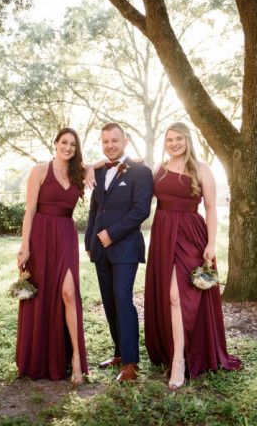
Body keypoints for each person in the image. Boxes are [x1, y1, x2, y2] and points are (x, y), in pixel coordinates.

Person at [144, 122, 242, 391]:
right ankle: (176, 354)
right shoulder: (159, 170)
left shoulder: (202, 169)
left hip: (191, 235)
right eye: (169, 139)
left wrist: (211, 243)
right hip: (163, 236)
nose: (174, 143)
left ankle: (179, 362)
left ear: (188, 141)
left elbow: (211, 208)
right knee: (170, 295)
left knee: (182, 295)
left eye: (179, 139)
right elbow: (142, 193)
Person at [16, 128, 88, 384]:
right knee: (42, 297)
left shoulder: (80, 172)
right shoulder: (40, 171)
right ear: (55, 143)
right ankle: (38, 358)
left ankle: (76, 359)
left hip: (66, 237)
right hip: (40, 237)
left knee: (69, 294)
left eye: (72, 144)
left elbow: (103, 165)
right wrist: (25, 246)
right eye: (64, 142)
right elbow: (30, 209)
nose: (68, 147)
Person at [85, 122, 154, 382]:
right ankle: (118, 353)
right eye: (105, 142)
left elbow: (141, 211)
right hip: (99, 250)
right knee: (110, 302)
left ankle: (131, 363)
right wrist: (90, 242)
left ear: (125, 141)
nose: (110, 145)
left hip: (125, 248)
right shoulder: (100, 172)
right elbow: (95, 209)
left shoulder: (141, 171)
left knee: (123, 300)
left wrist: (111, 233)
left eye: (115, 140)